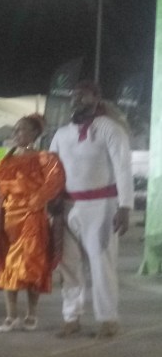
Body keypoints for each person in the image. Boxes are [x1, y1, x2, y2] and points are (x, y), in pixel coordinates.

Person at [49, 80, 133, 338]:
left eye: (83, 95)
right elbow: (50, 169)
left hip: (102, 206)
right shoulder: (61, 134)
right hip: (66, 208)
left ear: (96, 98)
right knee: (68, 265)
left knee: (101, 263)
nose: (76, 100)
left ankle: (108, 319)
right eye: (73, 96)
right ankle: (71, 317)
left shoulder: (110, 129)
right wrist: (49, 200)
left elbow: (123, 168)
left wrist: (125, 206)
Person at [0, 115, 66, 332]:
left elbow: (55, 180)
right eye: (15, 130)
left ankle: (31, 314)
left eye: (21, 129)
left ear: (34, 133)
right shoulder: (5, 160)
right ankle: (11, 316)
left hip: (31, 216)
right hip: (5, 218)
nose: (16, 134)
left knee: (31, 263)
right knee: (7, 264)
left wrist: (37, 200)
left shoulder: (45, 158)